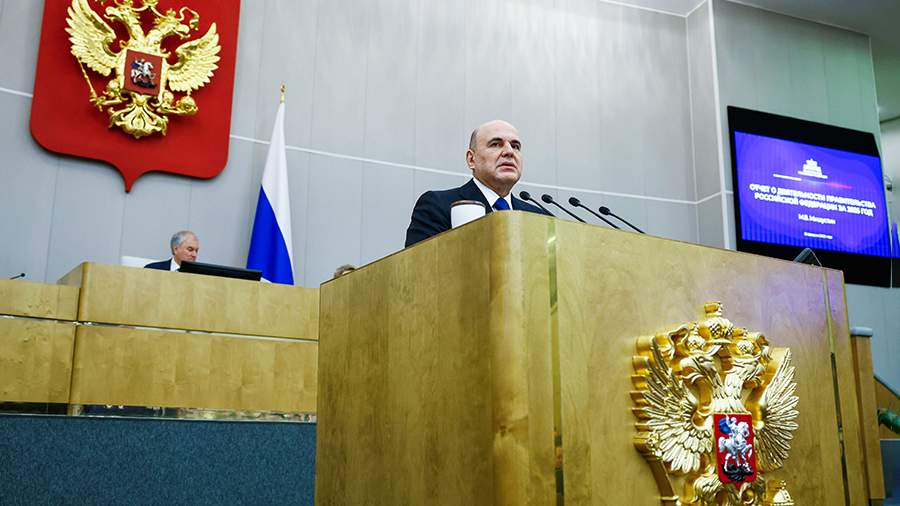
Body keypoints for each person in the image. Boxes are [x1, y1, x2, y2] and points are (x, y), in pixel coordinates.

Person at [405, 120, 551, 247]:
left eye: (515, 146)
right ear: (471, 159)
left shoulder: (539, 217)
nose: (509, 151)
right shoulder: (438, 205)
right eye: (495, 144)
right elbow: (420, 265)